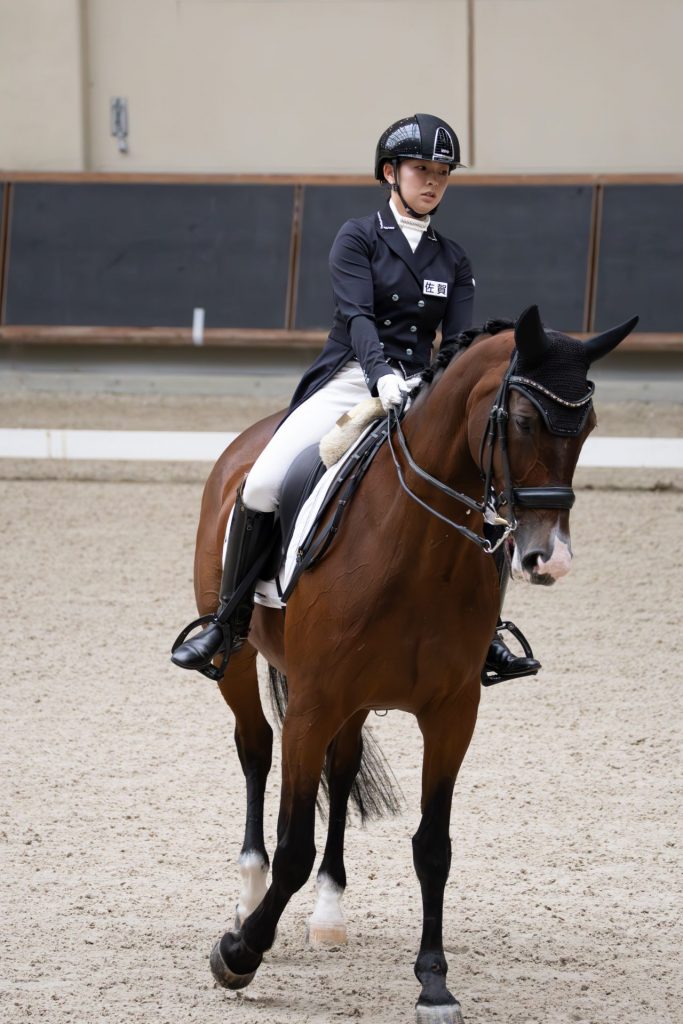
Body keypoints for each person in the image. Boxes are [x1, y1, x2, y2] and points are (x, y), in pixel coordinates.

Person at [172, 113, 540, 683]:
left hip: (422, 389)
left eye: (443, 172)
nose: (434, 181)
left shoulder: (454, 259)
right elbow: (357, 316)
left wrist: (431, 382)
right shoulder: (359, 237)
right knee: (265, 481)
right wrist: (380, 373)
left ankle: (485, 632)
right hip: (350, 377)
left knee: (485, 496)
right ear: (391, 172)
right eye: (422, 169)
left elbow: (461, 344)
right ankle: (229, 620)